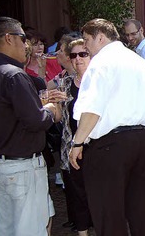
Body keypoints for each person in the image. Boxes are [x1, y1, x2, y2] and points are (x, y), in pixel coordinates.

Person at [0, 16, 64, 235]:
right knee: (30, 228)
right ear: (8, 38)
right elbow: (36, 121)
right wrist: (50, 109)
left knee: (7, 227)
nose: (27, 45)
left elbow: (5, 113)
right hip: (21, 166)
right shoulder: (13, 75)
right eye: (23, 39)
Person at [68, 18, 145, 236]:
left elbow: (92, 108)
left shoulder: (100, 63)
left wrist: (77, 142)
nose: (85, 46)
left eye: (87, 40)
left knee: (108, 213)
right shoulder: (138, 61)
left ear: (100, 37)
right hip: (142, 140)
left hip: (110, 145)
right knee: (141, 211)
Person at [60, 39, 92, 236]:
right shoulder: (63, 83)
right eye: (73, 55)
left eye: (83, 54)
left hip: (98, 146)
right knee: (78, 195)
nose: (78, 59)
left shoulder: (100, 81)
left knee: (100, 194)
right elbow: (57, 117)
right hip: (72, 148)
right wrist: (48, 104)